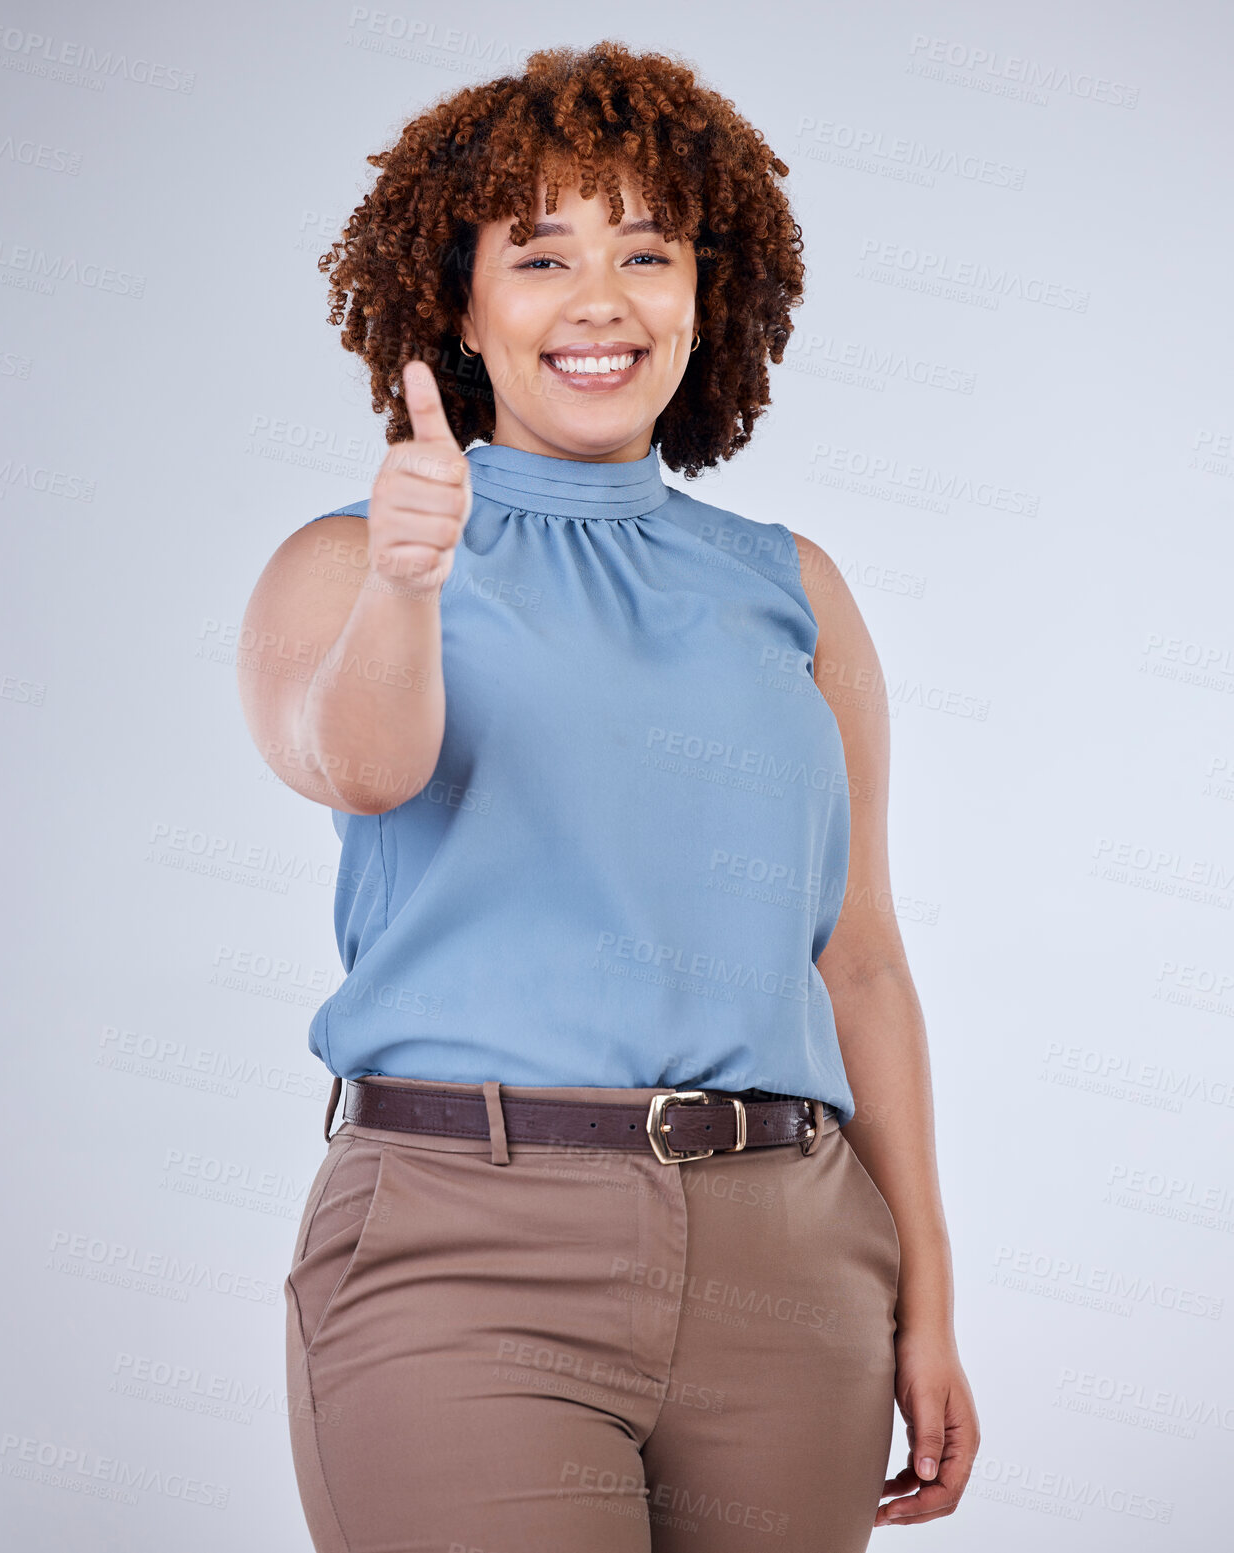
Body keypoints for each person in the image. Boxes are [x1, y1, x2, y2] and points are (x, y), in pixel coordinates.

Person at [237, 39, 979, 1553]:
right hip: (463, 1245)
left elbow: (863, 962)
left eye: (648, 250)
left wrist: (926, 1297)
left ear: (709, 292)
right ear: (458, 300)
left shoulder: (796, 591)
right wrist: (404, 579)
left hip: (793, 1254)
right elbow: (362, 762)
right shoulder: (345, 561)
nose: (601, 300)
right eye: (541, 252)